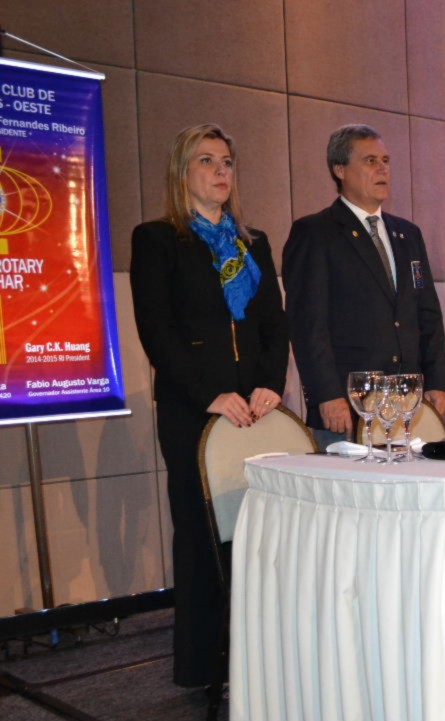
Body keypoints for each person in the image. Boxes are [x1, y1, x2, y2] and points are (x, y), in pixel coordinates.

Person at [130, 123, 289, 687]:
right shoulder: (158, 240)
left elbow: (274, 325)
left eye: (227, 161)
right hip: (194, 411)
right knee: (202, 536)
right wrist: (210, 396)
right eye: (206, 161)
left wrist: (270, 383)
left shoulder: (254, 243)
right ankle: (203, 666)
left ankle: (260, 657)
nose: (221, 171)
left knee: (261, 534)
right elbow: (158, 333)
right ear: (182, 171)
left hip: (255, 410)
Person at [283, 124, 445, 444]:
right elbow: (307, 324)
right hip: (348, 406)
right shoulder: (316, 233)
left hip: (407, 404)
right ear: (340, 169)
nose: (382, 168)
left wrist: (437, 381)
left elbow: (427, 314)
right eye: (370, 161)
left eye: (385, 160)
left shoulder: (407, 234)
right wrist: (326, 394)